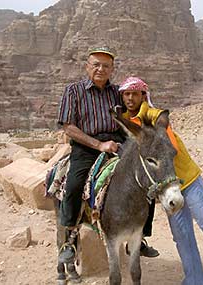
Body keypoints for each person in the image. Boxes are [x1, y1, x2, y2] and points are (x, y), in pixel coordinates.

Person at [118, 76, 203, 285]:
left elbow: (171, 147)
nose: (130, 98)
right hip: (166, 187)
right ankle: (194, 280)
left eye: (134, 94)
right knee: (182, 236)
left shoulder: (153, 116)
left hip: (187, 180)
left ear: (143, 95)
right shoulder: (126, 122)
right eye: (126, 94)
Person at [56, 48, 158, 264]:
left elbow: (133, 112)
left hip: (116, 142)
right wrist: (98, 144)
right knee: (74, 185)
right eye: (96, 64)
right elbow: (68, 127)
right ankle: (70, 240)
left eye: (106, 66)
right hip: (86, 145)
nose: (101, 69)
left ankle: (141, 238)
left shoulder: (116, 92)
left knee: (147, 178)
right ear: (87, 66)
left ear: (112, 69)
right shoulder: (73, 91)